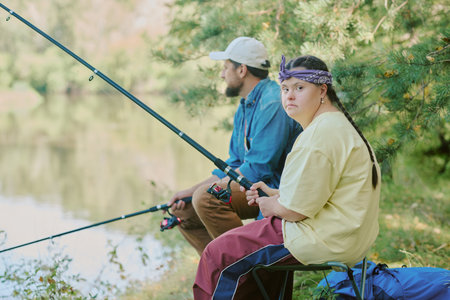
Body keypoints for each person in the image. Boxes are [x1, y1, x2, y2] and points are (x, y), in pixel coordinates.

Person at [193, 54, 381, 299]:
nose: (289, 96)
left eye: (299, 88)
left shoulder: (320, 135)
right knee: (237, 248)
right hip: (346, 235)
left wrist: (270, 204)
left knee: (218, 256)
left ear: (322, 90)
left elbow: (294, 211)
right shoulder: (334, 126)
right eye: (284, 88)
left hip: (324, 237)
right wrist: (275, 194)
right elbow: (320, 193)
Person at [168, 37, 302, 256]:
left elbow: (258, 169)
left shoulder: (272, 103)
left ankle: (246, 269)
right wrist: (188, 192)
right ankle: (223, 272)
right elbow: (234, 165)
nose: (222, 74)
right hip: (253, 186)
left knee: (207, 198)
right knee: (186, 212)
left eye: (225, 67)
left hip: (276, 189)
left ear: (241, 70)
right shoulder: (246, 104)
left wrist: (203, 192)